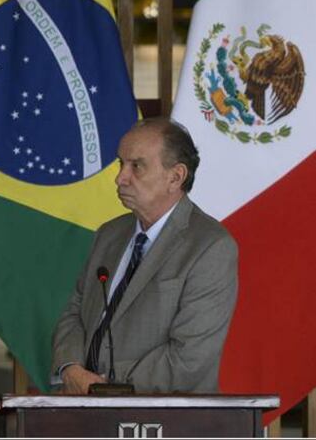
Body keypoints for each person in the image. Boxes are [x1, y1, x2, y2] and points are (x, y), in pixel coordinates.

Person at [52, 117, 238, 394]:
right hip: (87, 413)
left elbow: (189, 357)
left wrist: (102, 383)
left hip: (169, 422)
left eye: (136, 166)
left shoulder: (210, 246)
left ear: (175, 177)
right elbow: (75, 312)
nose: (120, 177)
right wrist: (70, 368)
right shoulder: (108, 235)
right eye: (121, 164)